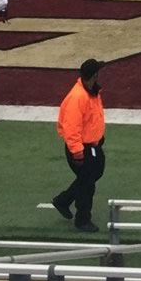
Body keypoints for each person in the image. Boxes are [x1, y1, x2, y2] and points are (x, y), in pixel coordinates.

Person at [52, 59, 107, 232]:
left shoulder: (91, 92)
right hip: (81, 148)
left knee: (94, 174)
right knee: (87, 183)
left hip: (92, 145)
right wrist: (77, 152)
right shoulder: (78, 97)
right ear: (94, 75)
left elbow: (92, 119)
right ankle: (82, 219)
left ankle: (63, 200)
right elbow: (72, 128)